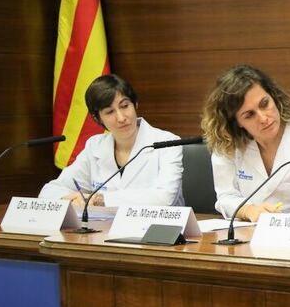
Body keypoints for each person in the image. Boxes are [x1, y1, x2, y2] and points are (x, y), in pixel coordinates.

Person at [201, 65, 290, 221]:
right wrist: (248, 210)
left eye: (264, 104)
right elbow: (226, 197)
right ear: (236, 122)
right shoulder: (228, 145)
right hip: (253, 230)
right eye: (249, 115)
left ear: (274, 97)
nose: (263, 118)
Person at [40, 74, 183, 207]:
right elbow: (50, 191)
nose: (121, 118)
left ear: (135, 104)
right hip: (104, 225)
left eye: (125, 106)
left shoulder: (167, 142)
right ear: (97, 118)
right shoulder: (95, 146)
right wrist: (70, 198)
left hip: (157, 225)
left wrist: (101, 199)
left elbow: (164, 198)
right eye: (109, 112)